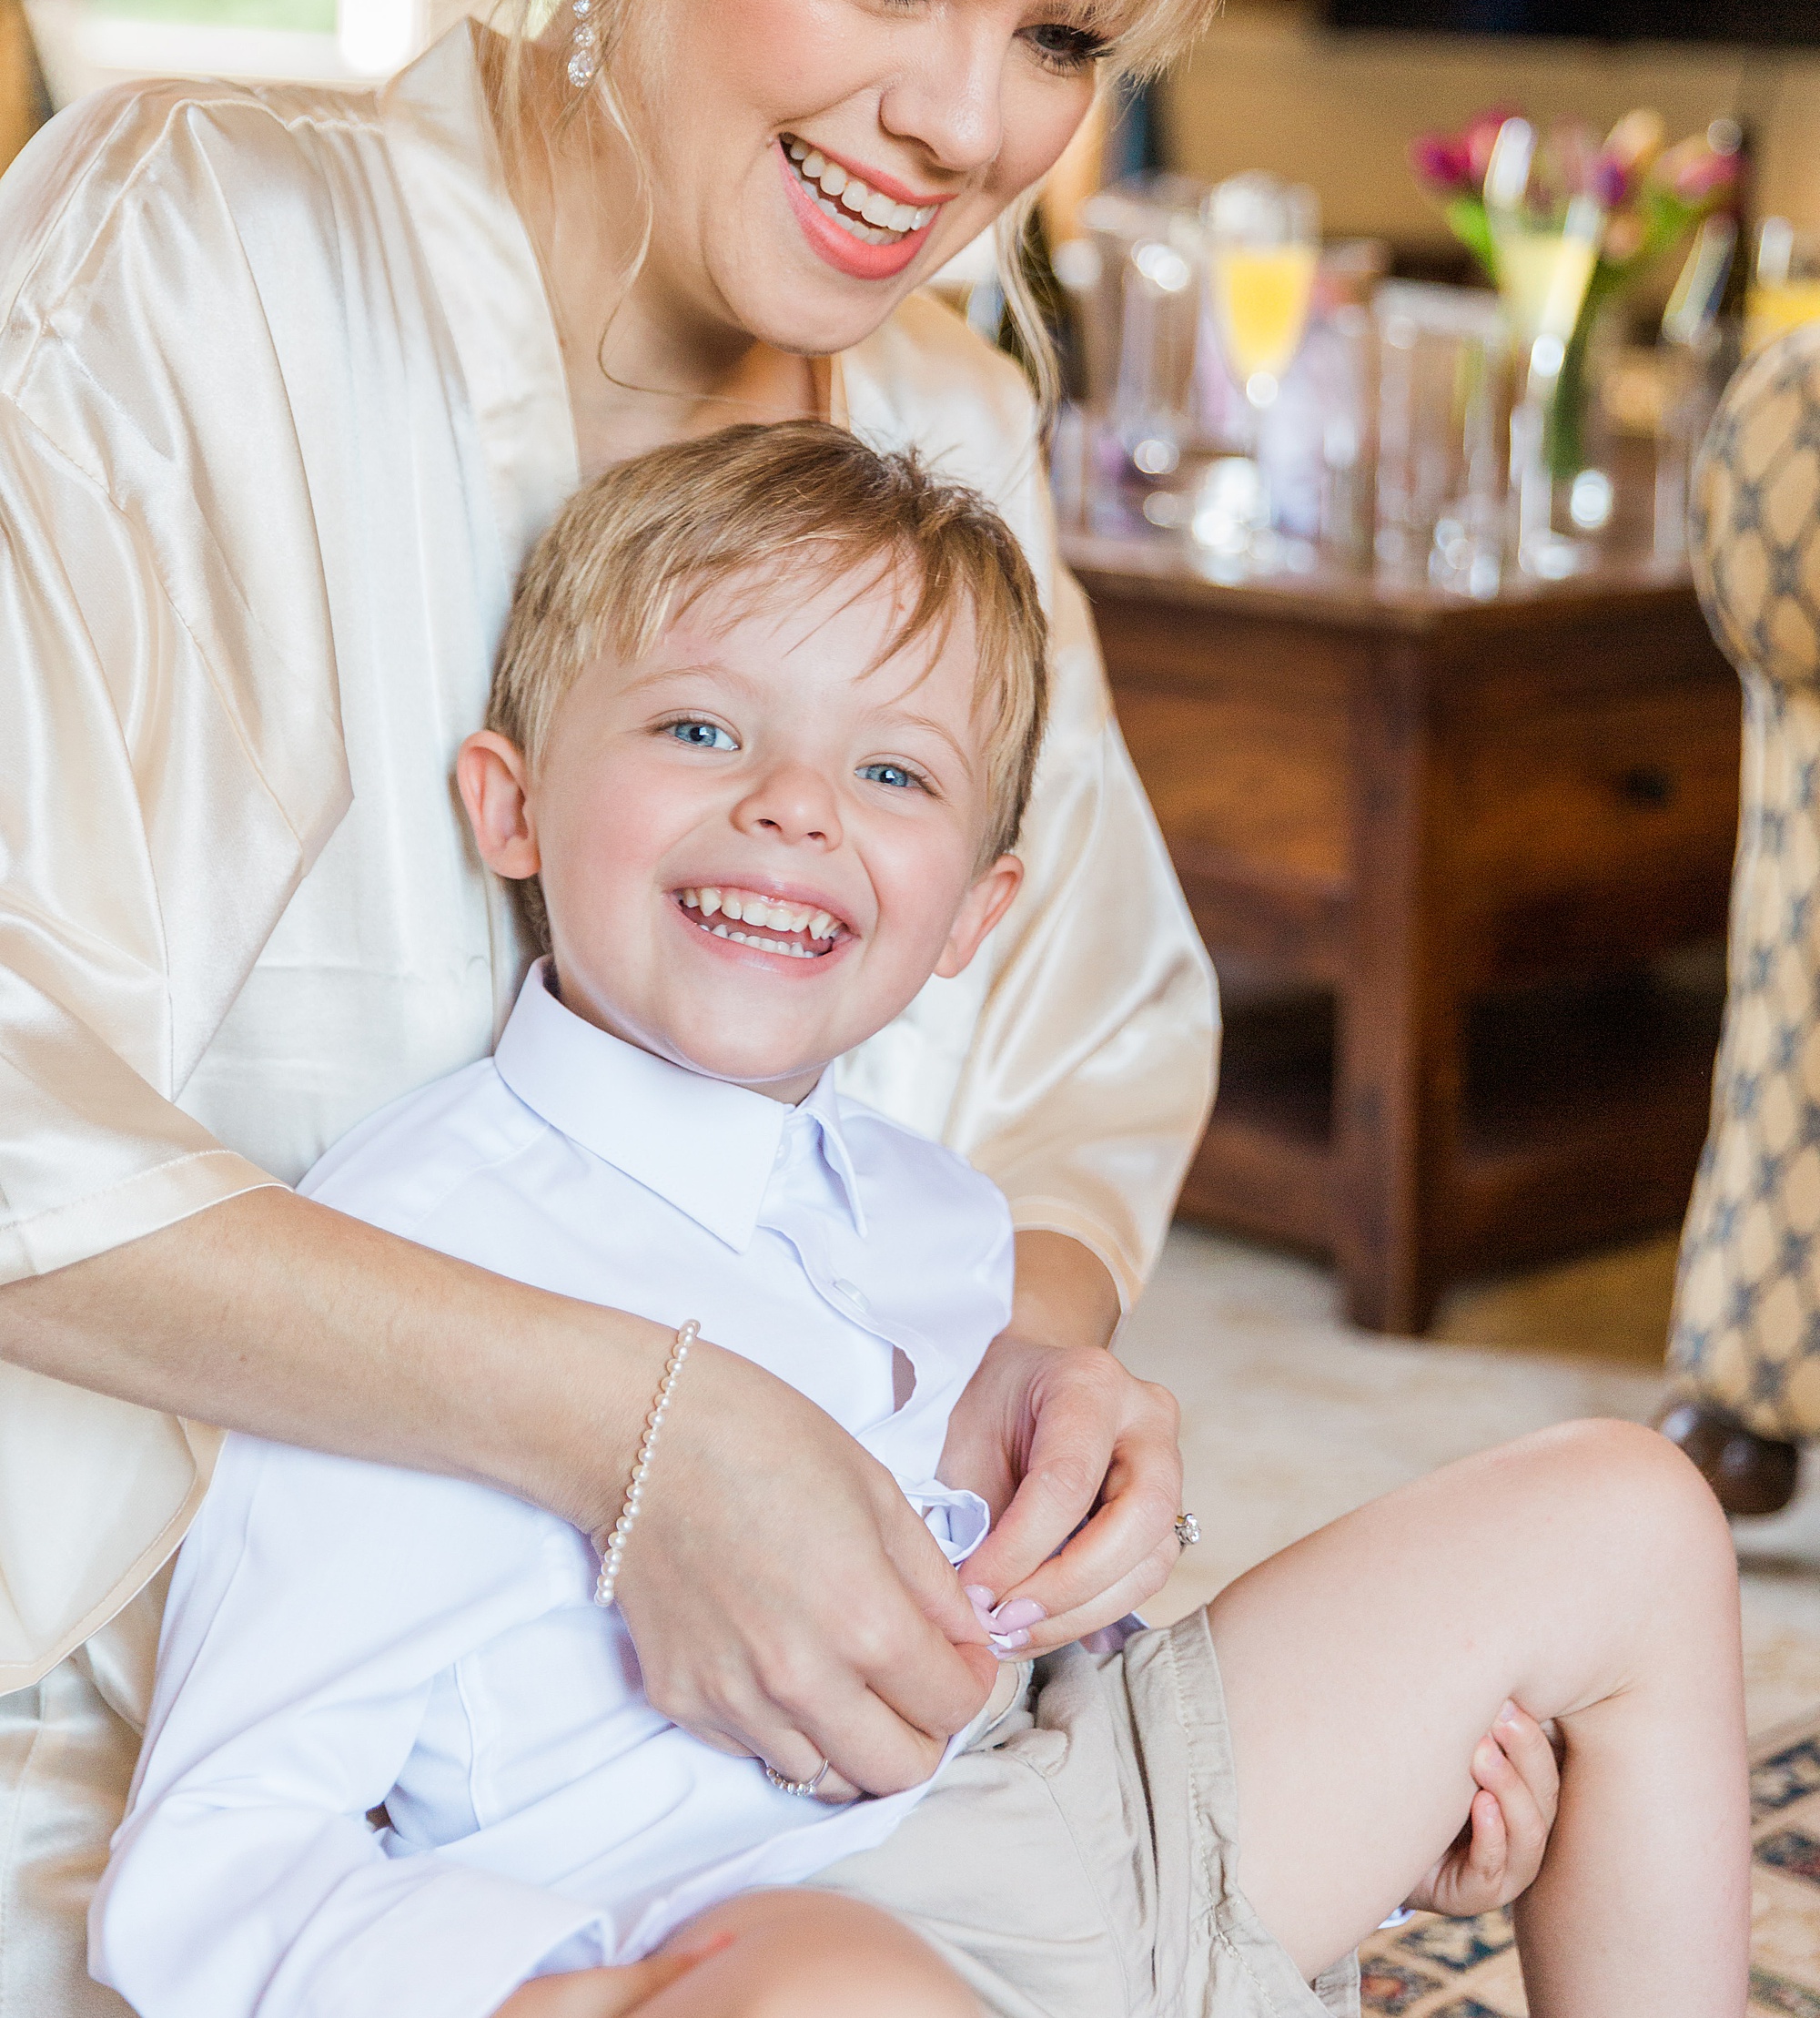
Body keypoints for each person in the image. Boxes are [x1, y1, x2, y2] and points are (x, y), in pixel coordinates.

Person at [0, 0, 1226, 2010]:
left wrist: (1023, 1378)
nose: (960, 120)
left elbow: (1075, 1056)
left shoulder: (953, 435)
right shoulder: (195, 269)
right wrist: (639, 1429)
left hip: (767, 1801)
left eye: (1061, 37)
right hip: (187, 1793)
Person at [92, 423, 1743, 2018]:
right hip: (759, 1936)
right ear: (510, 805)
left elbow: (1033, 1673)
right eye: (699, 731)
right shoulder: (413, 1255)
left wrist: (1383, 1834)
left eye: (889, 769)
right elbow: (218, 1855)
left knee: (1633, 1510)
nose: (796, 804)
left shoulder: (937, 1211)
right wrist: (589, 1999)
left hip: (1083, 1825)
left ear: (972, 913)